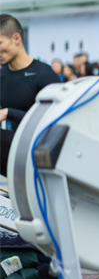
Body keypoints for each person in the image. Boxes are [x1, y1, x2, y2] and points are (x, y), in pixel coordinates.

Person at [0, 14, 61, 176]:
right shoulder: (2, 76)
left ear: (16, 39)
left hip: (43, 147)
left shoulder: (43, 74)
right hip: (16, 148)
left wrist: (9, 113)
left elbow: (58, 120)